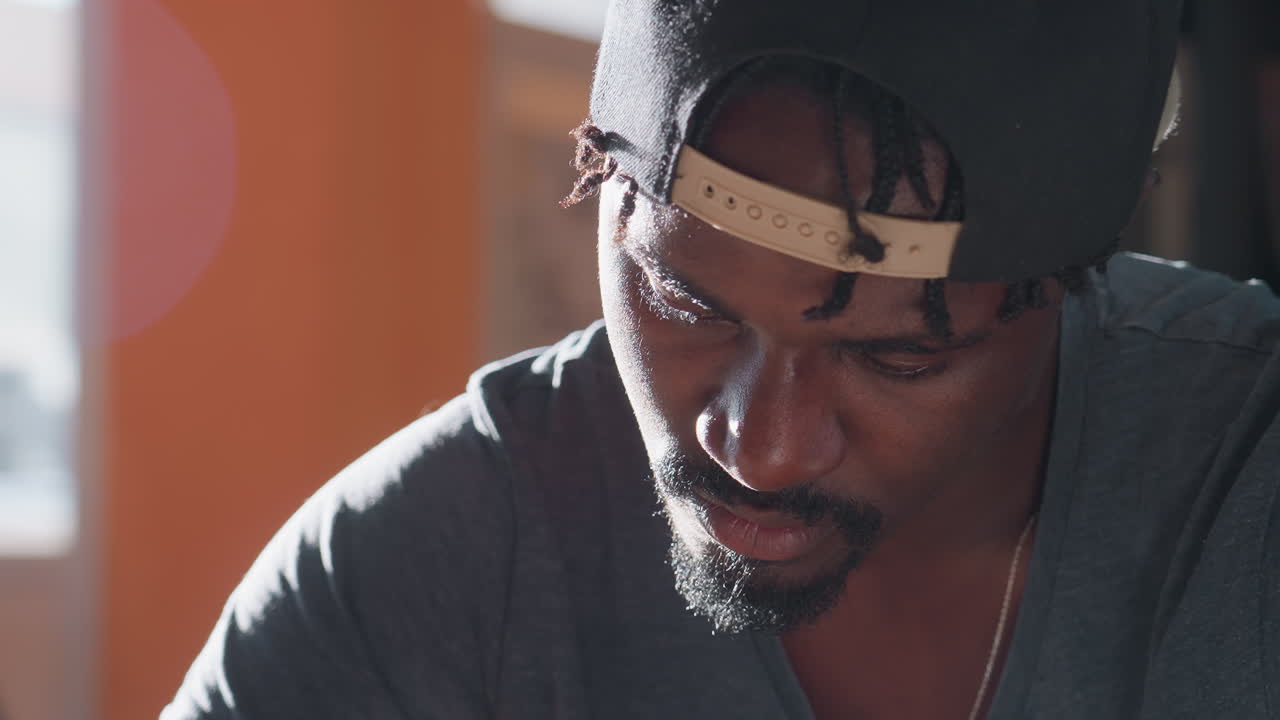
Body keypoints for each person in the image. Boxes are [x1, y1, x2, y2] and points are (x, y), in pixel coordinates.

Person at [164, 1, 1280, 718]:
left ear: (1067, 289)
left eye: (895, 357)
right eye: (683, 300)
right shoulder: (431, 566)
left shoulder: (1241, 486)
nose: (759, 442)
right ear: (599, 192)